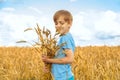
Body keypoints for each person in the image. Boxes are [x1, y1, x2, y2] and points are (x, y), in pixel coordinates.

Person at [42, 10, 75, 80]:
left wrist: (48, 60)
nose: (58, 25)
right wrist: (48, 64)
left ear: (69, 23)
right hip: (61, 77)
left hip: (64, 78)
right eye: (56, 23)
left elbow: (70, 59)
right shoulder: (64, 37)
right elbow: (59, 57)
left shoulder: (65, 38)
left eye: (61, 23)